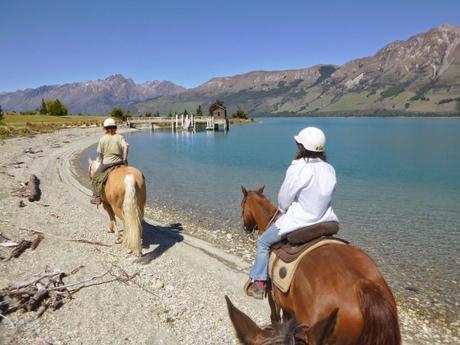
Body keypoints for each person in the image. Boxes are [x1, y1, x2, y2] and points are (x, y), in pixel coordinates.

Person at [245, 127, 339, 299]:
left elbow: (284, 200)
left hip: (300, 222)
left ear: (301, 147)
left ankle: (259, 283)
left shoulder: (298, 168)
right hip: (327, 221)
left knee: (263, 242)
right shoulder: (329, 169)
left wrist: (285, 209)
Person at [90, 118, 129, 205]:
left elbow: (100, 154)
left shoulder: (102, 139)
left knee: (95, 177)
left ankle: (97, 197)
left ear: (105, 129)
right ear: (115, 128)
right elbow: (126, 147)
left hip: (107, 163)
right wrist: (125, 159)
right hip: (119, 162)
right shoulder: (120, 137)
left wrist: (102, 159)